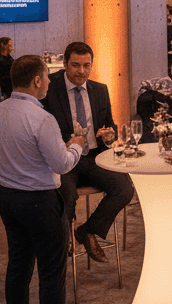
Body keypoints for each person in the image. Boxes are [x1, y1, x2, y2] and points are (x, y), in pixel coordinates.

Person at [0, 55, 95, 304]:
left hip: (8, 199)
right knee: (52, 274)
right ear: (37, 80)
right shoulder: (42, 119)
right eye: (47, 78)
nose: (50, 82)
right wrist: (77, 143)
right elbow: (62, 164)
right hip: (40, 202)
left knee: (18, 269)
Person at [40, 42, 132, 265]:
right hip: (63, 160)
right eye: (75, 65)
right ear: (64, 64)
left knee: (124, 188)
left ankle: (87, 231)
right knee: (66, 196)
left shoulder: (99, 90)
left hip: (92, 158)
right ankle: (62, 244)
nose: (81, 71)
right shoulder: (48, 89)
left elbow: (109, 125)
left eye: (86, 65)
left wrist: (109, 136)